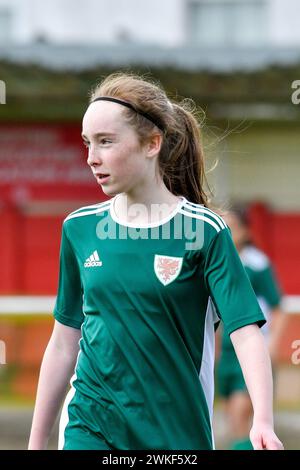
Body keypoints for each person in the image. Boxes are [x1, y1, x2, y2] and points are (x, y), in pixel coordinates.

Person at [28, 72, 283, 450]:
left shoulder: (206, 231)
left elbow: (245, 333)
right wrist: (35, 442)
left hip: (176, 432)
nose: (91, 158)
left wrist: (263, 419)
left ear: (152, 143)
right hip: (91, 423)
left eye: (106, 142)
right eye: (87, 143)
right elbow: (65, 342)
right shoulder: (79, 229)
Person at [216, 205, 285, 450]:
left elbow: (278, 307)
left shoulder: (257, 264)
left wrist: (272, 345)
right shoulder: (217, 261)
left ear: (245, 231)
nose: (226, 232)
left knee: (240, 411)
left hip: (251, 348)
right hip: (226, 352)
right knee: (234, 419)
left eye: (232, 227)